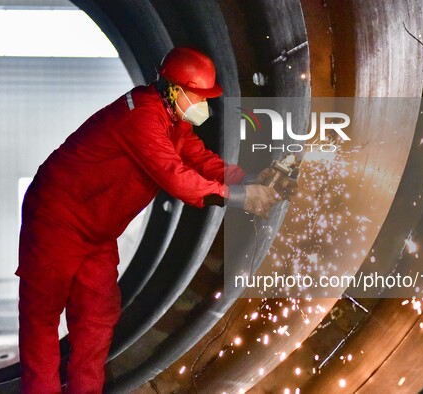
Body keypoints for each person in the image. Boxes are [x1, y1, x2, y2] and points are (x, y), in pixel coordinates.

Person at [16, 47, 279, 394]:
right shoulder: (141, 118)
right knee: (41, 319)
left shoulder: (173, 122)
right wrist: (241, 198)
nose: (204, 104)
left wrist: (248, 178)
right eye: (199, 95)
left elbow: (198, 158)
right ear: (174, 89)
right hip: (56, 219)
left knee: (95, 321)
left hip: (97, 233)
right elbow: (176, 177)